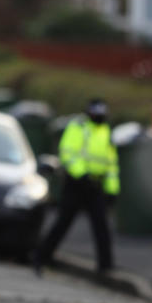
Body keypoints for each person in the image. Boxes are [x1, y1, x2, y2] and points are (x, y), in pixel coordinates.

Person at [33, 99, 119, 278]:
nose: (99, 116)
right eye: (96, 113)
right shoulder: (78, 127)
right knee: (63, 222)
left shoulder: (106, 131)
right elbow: (67, 152)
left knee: (101, 225)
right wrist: (81, 174)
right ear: (89, 113)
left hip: (96, 185)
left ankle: (106, 266)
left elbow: (111, 164)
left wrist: (112, 189)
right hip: (76, 183)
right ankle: (41, 257)